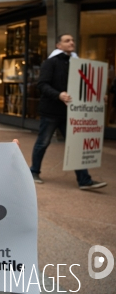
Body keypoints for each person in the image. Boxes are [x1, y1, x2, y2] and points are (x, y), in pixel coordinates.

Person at [30, 34, 107, 190]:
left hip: (71, 113)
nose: (71, 42)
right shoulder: (50, 63)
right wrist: (58, 95)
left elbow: (85, 87)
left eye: (72, 40)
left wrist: (98, 97)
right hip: (51, 111)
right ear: (58, 45)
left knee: (76, 145)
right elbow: (42, 85)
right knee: (43, 143)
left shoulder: (78, 64)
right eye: (67, 41)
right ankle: (33, 172)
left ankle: (84, 180)